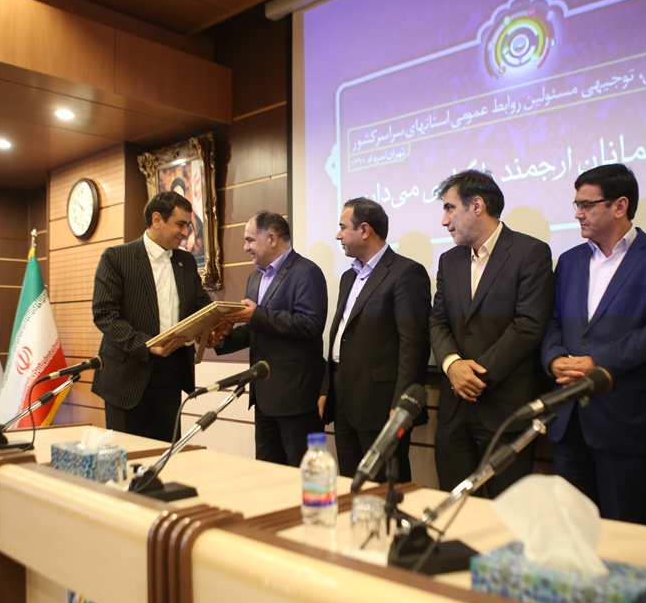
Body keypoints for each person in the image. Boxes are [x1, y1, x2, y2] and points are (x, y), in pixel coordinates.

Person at [540, 164, 646, 525]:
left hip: (626, 421)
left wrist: (598, 362)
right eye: (577, 204)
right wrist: (554, 359)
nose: (578, 213)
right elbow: (553, 322)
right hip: (570, 420)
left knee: (625, 534)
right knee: (573, 532)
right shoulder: (570, 261)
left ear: (620, 206)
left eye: (587, 205)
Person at [429, 169, 554, 497]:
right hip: (454, 411)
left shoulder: (530, 252)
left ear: (477, 206)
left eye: (449, 208)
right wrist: (453, 365)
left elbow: (528, 325)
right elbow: (438, 320)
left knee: (506, 514)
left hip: (505, 409)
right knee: (454, 510)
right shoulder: (448, 261)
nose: (444, 221)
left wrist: (475, 375)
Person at [319, 197, 431, 482]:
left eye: (343, 227)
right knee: (351, 482)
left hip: (381, 403)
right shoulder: (348, 277)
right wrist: (326, 388)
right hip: (343, 396)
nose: (338, 235)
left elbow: (414, 345)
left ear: (365, 230)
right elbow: (341, 335)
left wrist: (402, 404)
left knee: (384, 484)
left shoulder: (406, 273)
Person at [92, 190, 211, 442]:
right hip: (127, 374)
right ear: (157, 220)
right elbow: (104, 314)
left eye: (187, 226)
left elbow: (201, 306)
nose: (185, 232)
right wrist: (146, 345)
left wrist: (216, 324)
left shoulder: (186, 261)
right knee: (126, 455)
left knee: (166, 454)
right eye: (180, 224)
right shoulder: (116, 257)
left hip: (171, 374)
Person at [213, 211, 328, 467]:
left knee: (300, 474)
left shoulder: (306, 272)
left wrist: (257, 315)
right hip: (263, 396)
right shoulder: (255, 277)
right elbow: (256, 329)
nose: (245, 248)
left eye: (250, 240)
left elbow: (310, 325)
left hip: (296, 399)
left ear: (272, 238)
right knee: (267, 472)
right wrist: (221, 340)